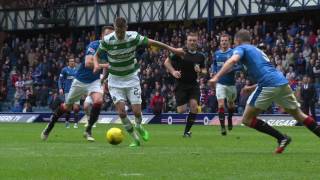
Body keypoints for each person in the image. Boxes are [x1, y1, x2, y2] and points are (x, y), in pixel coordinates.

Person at [209, 29, 320, 154]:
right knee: (299, 115)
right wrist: (251, 88)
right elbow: (265, 72)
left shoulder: (242, 48)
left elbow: (232, 60)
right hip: (281, 82)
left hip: (268, 84)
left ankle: (282, 138)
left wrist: (216, 77)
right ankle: (284, 138)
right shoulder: (256, 51)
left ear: (237, 40)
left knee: (247, 119)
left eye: (234, 41)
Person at [94, 17, 182, 147]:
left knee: (136, 112)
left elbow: (154, 43)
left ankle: (139, 126)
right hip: (115, 80)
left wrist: (172, 49)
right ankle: (135, 139)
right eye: (117, 31)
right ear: (115, 28)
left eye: (121, 31)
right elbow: (96, 55)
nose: (119, 34)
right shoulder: (107, 40)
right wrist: (96, 65)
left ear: (126, 28)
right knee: (122, 112)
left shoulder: (133, 37)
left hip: (131, 79)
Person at [41, 26, 114, 142]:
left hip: (94, 81)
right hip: (80, 81)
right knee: (67, 106)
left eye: (112, 35)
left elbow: (107, 68)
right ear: (102, 36)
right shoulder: (94, 45)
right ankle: (50, 125)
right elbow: (88, 63)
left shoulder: (111, 50)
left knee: (99, 100)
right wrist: (106, 65)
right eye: (108, 35)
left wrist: (103, 79)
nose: (110, 37)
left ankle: (88, 130)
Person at [164, 32, 207, 137]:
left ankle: (186, 132)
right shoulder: (180, 52)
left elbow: (205, 71)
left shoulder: (201, 56)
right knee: (181, 110)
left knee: (194, 107)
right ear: (186, 41)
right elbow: (166, 62)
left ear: (197, 42)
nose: (192, 42)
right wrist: (173, 72)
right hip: (181, 84)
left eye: (194, 40)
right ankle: (176, 103)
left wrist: (200, 70)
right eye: (190, 40)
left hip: (193, 85)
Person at [211, 34, 239, 135]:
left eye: (226, 40)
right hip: (220, 84)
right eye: (222, 40)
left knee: (231, 105)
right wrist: (213, 71)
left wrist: (233, 69)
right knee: (221, 105)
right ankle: (223, 127)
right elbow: (214, 64)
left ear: (229, 42)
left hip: (231, 84)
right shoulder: (217, 53)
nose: (224, 42)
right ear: (220, 42)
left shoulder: (233, 53)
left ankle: (230, 118)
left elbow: (239, 66)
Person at [58, 57, 80, 128]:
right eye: (71, 61)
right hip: (68, 91)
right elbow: (60, 80)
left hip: (76, 91)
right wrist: (60, 88)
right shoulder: (64, 70)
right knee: (68, 108)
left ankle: (76, 123)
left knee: (76, 108)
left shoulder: (77, 70)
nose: (72, 62)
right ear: (68, 62)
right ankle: (67, 122)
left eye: (73, 61)